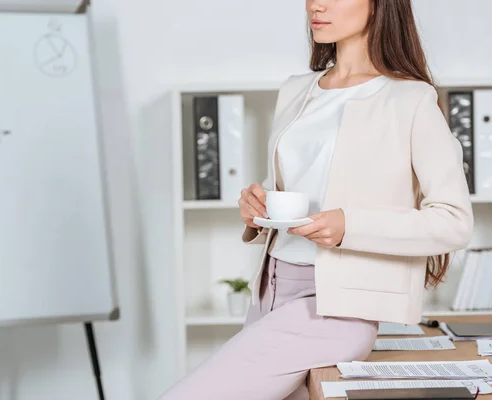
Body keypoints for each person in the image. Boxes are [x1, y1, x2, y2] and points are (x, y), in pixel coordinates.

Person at [159, 0, 474, 399]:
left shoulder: (410, 100)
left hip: (337, 307)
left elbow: (454, 221)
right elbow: (298, 183)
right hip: (269, 291)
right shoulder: (295, 90)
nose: (316, 5)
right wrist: (256, 207)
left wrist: (349, 226)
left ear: (379, 6)